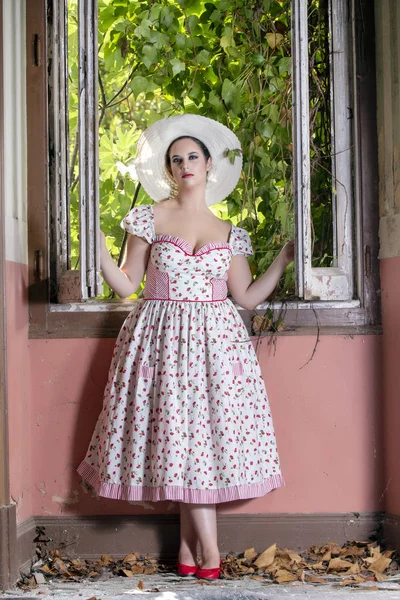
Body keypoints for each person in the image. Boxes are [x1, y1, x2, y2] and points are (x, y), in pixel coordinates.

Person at [77, 114, 294, 580]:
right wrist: (97, 246)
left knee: (200, 444)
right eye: (176, 160)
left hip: (216, 345)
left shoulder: (229, 230)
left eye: (192, 156)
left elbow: (247, 296)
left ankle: (188, 553)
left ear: (209, 163)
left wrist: (285, 259)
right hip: (159, 340)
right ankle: (209, 553)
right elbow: (126, 285)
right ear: (169, 169)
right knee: (179, 439)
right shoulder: (149, 217)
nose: (184, 165)